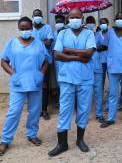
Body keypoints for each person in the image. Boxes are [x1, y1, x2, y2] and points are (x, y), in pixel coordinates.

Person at [48, 8, 96, 156]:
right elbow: (57, 55)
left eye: (77, 17)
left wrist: (69, 50)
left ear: (82, 19)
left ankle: (80, 140)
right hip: (67, 78)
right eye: (72, 17)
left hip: (85, 79)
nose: (74, 20)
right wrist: (78, 56)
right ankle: (62, 143)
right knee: (65, 110)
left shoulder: (89, 33)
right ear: (68, 19)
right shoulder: (62, 33)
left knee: (83, 110)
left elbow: (89, 53)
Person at [0, 17, 49, 156]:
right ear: (18, 28)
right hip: (18, 83)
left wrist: (41, 74)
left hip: (35, 83)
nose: (25, 31)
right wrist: (12, 73)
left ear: (32, 28)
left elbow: (47, 60)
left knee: (34, 111)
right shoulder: (12, 43)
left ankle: (32, 134)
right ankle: (5, 140)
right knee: (14, 112)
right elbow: (3, 61)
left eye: (27, 28)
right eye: (22, 28)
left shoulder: (39, 44)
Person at [32, 9, 54, 120]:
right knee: (34, 86)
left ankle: (44, 110)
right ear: (32, 17)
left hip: (45, 61)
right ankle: (35, 110)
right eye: (35, 15)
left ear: (42, 17)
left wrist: (35, 42)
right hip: (32, 63)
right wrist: (42, 41)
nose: (37, 17)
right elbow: (27, 43)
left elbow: (49, 42)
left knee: (45, 86)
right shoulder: (29, 28)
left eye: (39, 15)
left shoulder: (47, 28)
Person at [93, 18, 109, 123]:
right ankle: (99, 113)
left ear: (108, 24)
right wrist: (101, 47)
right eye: (101, 23)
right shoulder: (97, 34)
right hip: (99, 63)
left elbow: (111, 46)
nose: (103, 25)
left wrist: (103, 47)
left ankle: (108, 106)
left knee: (112, 85)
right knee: (99, 87)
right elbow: (95, 47)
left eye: (104, 23)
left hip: (110, 61)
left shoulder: (111, 33)